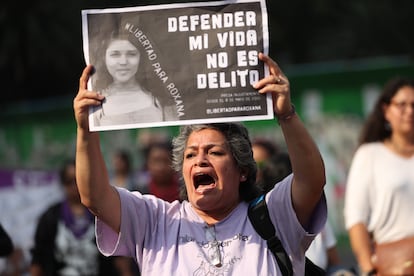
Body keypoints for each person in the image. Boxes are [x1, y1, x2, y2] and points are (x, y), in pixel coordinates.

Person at [73, 52, 327, 274]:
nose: (200, 160)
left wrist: (286, 115)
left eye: (214, 152)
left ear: (242, 170)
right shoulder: (155, 221)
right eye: (191, 154)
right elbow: (95, 198)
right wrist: (85, 130)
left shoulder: (274, 215)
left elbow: (312, 181)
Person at [344, 77, 414, 275]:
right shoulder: (370, 155)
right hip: (392, 265)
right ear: (386, 110)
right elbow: (356, 219)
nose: (409, 111)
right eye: (402, 105)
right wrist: (368, 268)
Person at [30, 159, 118, 276]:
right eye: (69, 181)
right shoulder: (50, 217)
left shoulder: (102, 216)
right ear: (63, 183)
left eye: (78, 179)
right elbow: (37, 258)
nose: (74, 185)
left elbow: (118, 257)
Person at [91, 31, 167, 127]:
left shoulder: (160, 101)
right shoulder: (95, 104)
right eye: (115, 54)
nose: (123, 62)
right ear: (104, 58)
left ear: (141, 57)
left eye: (131, 54)